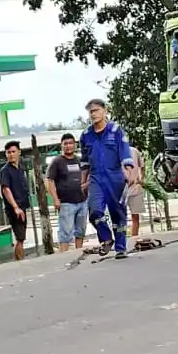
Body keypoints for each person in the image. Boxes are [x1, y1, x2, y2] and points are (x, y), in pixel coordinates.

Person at [79, 97, 135, 260]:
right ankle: (106, 238)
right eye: (90, 111)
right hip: (96, 178)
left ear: (104, 111)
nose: (93, 114)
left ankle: (120, 248)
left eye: (96, 110)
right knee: (95, 211)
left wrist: (129, 170)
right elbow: (84, 160)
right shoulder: (86, 135)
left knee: (118, 214)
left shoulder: (116, 130)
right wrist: (84, 181)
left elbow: (124, 151)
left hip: (115, 177)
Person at [45, 133, 88, 251]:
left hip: (82, 201)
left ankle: (79, 253)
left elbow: (87, 175)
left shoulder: (80, 160)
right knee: (66, 233)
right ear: (62, 146)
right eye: (66, 144)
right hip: (66, 203)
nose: (68, 146)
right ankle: (63, 257)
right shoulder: (57, 161)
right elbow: (49, 181)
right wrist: (55, 199)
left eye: (71, 143)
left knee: (80, 231)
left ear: (75, 145)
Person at [0, 141, 30, 262]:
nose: (11, 154)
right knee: (20, 237)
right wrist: (15, 207)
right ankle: (19, 261)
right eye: (8, 152)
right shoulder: (5, 170)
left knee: (21, 238)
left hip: (23, 206)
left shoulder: (20, 169)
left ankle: (20, 259)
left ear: (19, 152)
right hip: (14, 209)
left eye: (13, 151)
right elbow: (6, 189)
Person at [126, 146, 146, 240]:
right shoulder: (112, 151)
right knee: (119, 219)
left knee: (135, 216)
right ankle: (121, 242)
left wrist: (141, 179)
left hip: (135, 188)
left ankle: (134, 239)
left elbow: (142, 166)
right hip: (119, 190)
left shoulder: (134, 151)